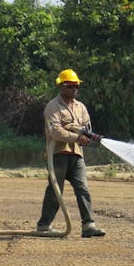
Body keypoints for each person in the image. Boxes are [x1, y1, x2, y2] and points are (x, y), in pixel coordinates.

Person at [36, 69, 106, 238]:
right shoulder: (53, 106)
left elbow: (87, 129)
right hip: (58, 154)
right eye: (70, 86)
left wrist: (84, 135)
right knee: (55, 191)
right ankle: (44, 225)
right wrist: (76, 136)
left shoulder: (81, 107)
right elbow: (56, 132)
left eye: (76, 87)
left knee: (83, 188)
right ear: (61, 86)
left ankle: (88, 225)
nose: (73, 90)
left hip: (76, 155)